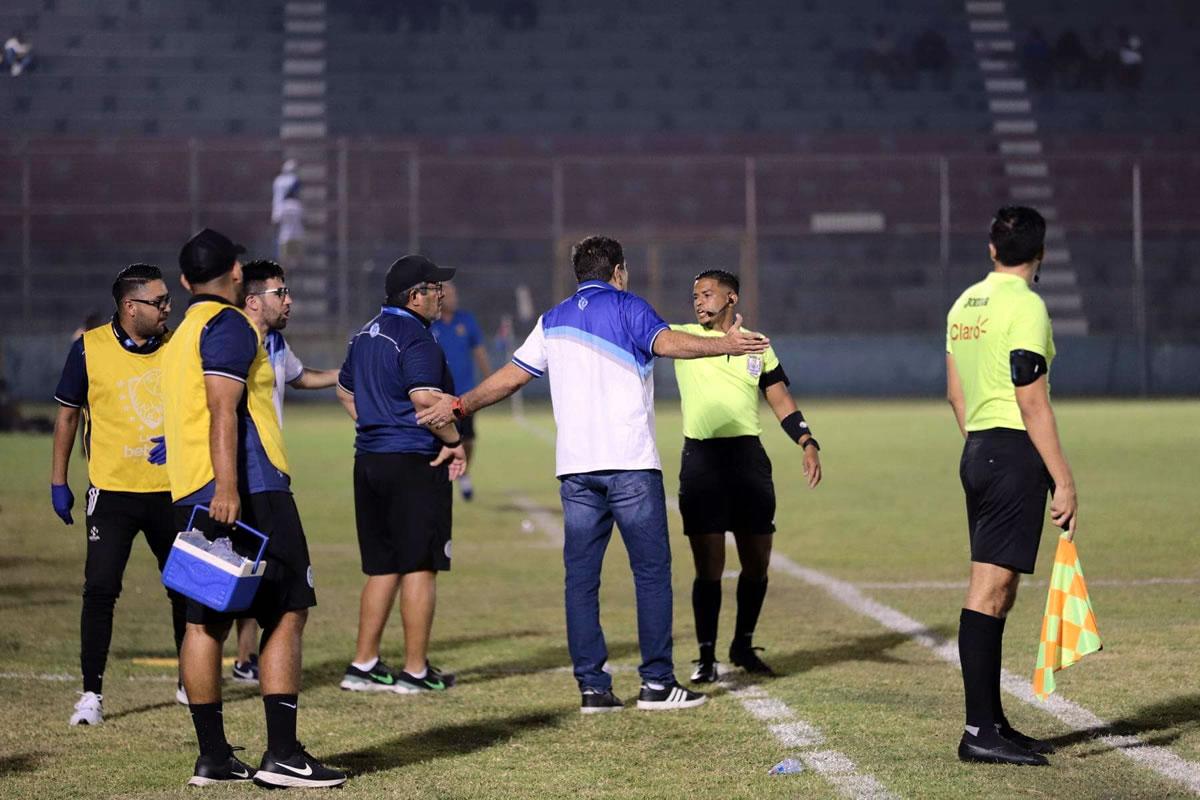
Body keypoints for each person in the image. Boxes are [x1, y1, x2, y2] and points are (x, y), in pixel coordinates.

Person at [416, 235, 770, 714]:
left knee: (581, 579)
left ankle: (592, 689)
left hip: (576, 472)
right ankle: (657, 684)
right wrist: (722, 344)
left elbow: (511, 377)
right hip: (630, 466)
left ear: (578, 273)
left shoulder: (553, 319)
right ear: (618, 271)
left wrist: (458, 404)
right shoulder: (629, 308)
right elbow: (668, 344)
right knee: (650, 574)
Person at [162, 228, 344, 788]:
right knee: (289, 608)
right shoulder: (231, 326)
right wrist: (229, 488)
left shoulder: (180, 335)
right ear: (237, 275)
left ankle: (214, 759)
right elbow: (224, 411)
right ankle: (284, 755)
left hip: (189, 490)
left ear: (187, 281)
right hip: (249, 489)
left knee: (203, 621)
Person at [945, 206, 1078, 767]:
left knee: (999, 590)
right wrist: (1062, 477)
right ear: (1040, 253)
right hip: (1010, 448)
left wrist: (983, 448)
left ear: (991, 249)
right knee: (989, 591)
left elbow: (955, 393)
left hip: (979, 445)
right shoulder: (1027, 306)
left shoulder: (964, 303)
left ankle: (993, 722)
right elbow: (1030, 397)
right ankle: (978, 732)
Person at [50, 264, 187, 725]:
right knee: (100, 590)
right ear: (131, 308)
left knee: (186, 590)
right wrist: (58, 481)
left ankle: (192, 681)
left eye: (168, 299)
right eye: (160, 302)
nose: (169, 308)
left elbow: (204, 406)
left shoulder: (179, 345)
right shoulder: (88, 349)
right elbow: (68, 416)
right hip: (111, 495)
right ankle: (91, 694)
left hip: (173, 492)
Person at [671, 270, 823, 683]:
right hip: (701, 459)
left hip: (748, 461)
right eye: (694, 296)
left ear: (731, 297)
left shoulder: (758, 345)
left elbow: (780, 399)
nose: (699, 302)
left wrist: (807, 441)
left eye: (706, 294)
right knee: (709, 567)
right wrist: (718, 344)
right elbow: (660, 344)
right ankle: (705, 657)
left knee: (756, 563)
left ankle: (743, 644)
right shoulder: (682, 336)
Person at [335, 255, 467, 695]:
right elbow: (428, 399)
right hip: (411, 461)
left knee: (382, 566)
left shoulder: (364, 334)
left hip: (369, 461)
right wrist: (452, 441)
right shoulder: (416, 337)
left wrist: (374, 421)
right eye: (434, 288)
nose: (441, 295)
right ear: (415, 296)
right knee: (419, 566)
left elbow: (344, 389)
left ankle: (363, 664)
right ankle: (414, 672)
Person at [226, 259, 338, 685]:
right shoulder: (231, 340)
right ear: (253, 300)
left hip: (269, 471)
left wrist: (344, 376)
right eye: (281, 294)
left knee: (252, 572)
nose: (289, 301)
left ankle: (243, 660)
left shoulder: (273, 344)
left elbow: (299, 377)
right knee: (285, 592)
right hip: (250, 475)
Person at [430, 281, 492, 501]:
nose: (454, 298)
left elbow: (479, 351)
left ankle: (464, 474)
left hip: (465, 394)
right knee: (439, 439)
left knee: (467, 439)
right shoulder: (431, 324)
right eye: (449, 294)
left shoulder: (467, 320)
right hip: (438, 395)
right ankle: (438, 479)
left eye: (455, 293)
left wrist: (490, 380)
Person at [271, 161, 304, 268]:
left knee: (285, 235)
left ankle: (286, 265)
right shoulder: (293, 180)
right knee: (296, 233)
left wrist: (275, 215)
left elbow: (276, 199)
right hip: (296, 227)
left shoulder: (278, 181)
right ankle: (294, 264)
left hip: (282, 217)